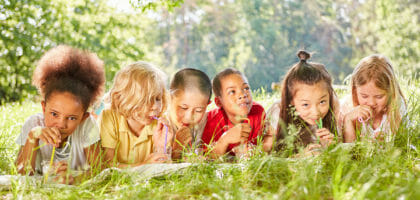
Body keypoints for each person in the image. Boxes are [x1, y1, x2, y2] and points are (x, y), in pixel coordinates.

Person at [15, 45, 105, 184]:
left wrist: (74, 178)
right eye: (54, 114)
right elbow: (21, 174)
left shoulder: (87, 126)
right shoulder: (34, 125)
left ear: (83, 117)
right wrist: (33, 137)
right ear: (44, 108)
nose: (61, 124)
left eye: (72, 118)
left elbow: (99, 169)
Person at [99, 61, 174, 168]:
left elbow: (165, 168)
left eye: (158, 99)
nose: (155, 107)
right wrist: (143, 166)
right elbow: (107, 166)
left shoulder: (160, 124)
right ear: (126, 99)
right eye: (146, 100)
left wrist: (160, 147)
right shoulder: (109, 117)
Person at [265, 50, 338, 156]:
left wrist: (330, 149)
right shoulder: (278, 115)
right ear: (291, 100)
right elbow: (265, 157)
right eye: (305, 105)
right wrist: (299, 158)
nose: (315, 112)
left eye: (322, 102)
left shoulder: (332, 108)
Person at [201, 68, 266, 158]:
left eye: (246, 88)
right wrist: (225, 140)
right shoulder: (212, 121)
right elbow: (207, 159)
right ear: (219, 102)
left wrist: (253, 151)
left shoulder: (258, 112)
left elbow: (263, 147)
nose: (243, 94)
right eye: (232, 92)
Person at [341, 54, 406, 142]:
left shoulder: (396, 106)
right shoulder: (347, 106)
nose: (371, 103)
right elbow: (346, 152)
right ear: (355, 91)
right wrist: (348, 120)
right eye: (364, 96)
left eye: (379, 96)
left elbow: (403, 145)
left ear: (391, 92)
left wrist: (385, 147)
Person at [167, 68, 212, 160]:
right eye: (183, 108)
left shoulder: (207, 124)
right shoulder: (160, 125)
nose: (188, 117)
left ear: (207, 105)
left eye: (198, 110)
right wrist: (176, 150)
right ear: (170, 98)